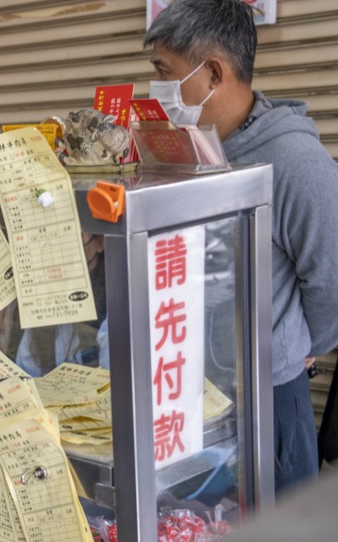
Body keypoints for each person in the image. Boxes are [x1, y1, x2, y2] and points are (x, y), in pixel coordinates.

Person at [144, 0, 338, 494]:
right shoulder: (182, 147)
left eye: (165, 73)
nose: (159, 90)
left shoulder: (296, 161)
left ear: (212, 74)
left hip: (268, 401)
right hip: (186, 394)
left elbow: (332, 281)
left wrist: (295, 348)